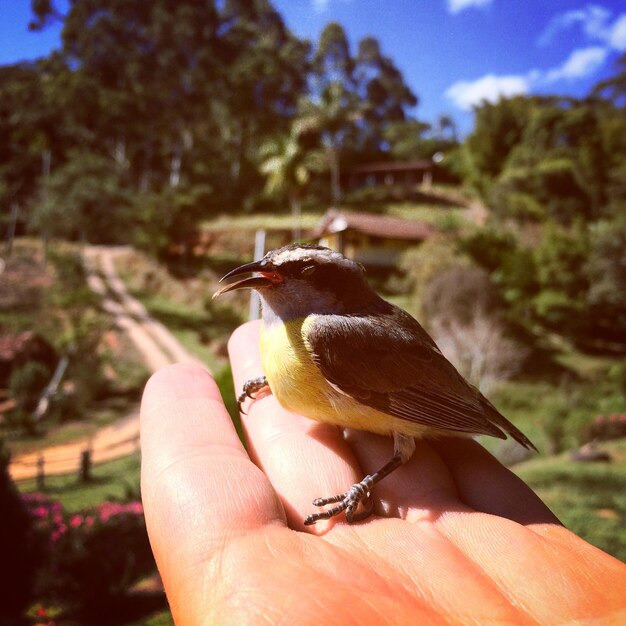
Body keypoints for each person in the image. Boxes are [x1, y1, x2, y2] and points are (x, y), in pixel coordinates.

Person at [141, 321, 626, 625]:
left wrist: (363, 485)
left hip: (422, 407)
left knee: (398, 450)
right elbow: (332, 396)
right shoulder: (295, 340)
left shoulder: (333, 335)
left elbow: (406, 406)